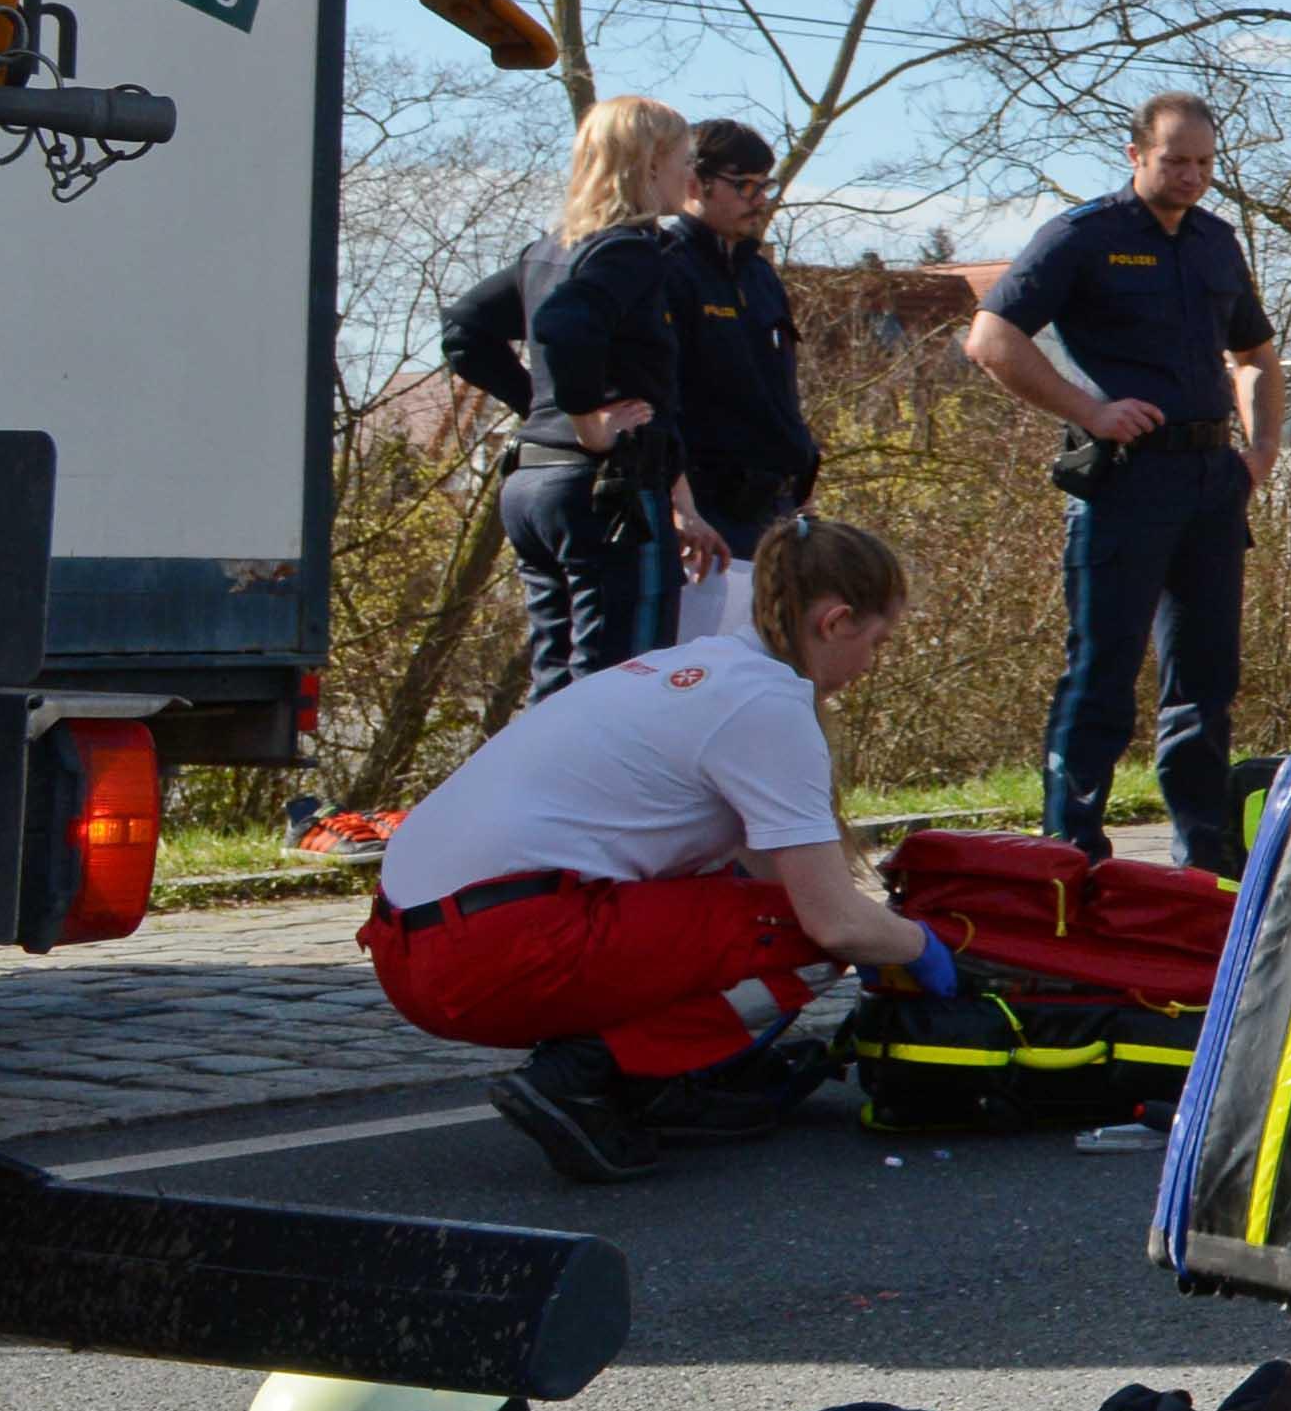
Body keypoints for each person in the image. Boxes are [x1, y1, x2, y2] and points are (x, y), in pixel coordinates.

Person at [361, 518, 949, 1185]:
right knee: (811, 946)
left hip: (407, 944)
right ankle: (587, 1072)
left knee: (749, 910)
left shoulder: (691, 668)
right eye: (878, 642)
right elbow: (831, 921)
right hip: (488, 953)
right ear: (837, 621)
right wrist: (919, 948)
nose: (872, 664)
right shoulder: (768, 705)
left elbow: (767, 874)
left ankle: (665, 1079)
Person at [962, 93, 1284, 873]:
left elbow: (1257, 357)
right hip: (1126, 484)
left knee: (1206, 679)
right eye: (1176, 160)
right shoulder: (1084, 236)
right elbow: (991, 337)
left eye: (1206, 163)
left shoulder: (1215, 241)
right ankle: (1070, 851)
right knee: (1103, 669)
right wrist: (1089, 409)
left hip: (1213, 482)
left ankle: (1204, 859)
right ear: (1136, 155)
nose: (1193, 176)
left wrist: (1263, 451)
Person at [438, 95, 713, 700]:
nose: (690, 180)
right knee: (622, 688)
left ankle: (541, 793)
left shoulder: (551, 248)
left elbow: (464, 330)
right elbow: (566, 328)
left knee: (558, 684)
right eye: (683, 162)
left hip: (536, 487)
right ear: (647, 168)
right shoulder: (628, 249)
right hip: (604, 495)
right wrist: (586, 422)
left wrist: (545, 412)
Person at [664, 118, 818, 647]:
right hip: (705, 513)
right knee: (694, 671)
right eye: (743, 184)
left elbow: (777, 390)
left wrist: (798, 481)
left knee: (762, 667)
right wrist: (678, 504)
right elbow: (657, 396)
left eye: (765, 185)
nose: (759, 199)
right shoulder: (665, 266)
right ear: (694, 182)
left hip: (771, 512)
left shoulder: (760, 273)